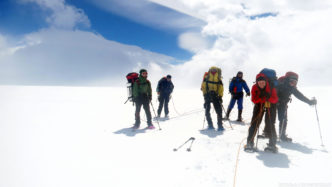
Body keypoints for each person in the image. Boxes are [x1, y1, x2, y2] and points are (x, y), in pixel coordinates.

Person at [276, 71, 317, 141]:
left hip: (283, 104)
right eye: (292, 81)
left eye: (295, 82)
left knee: (283, 119)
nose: (293, 84)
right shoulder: (280, 84)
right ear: (287, 79)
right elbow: (273, 94)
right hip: (274, 102)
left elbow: (300, 96)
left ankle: (282, 135)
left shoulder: (292, 88)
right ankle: (268, 132)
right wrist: (277, 101)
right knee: (271, 118)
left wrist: (309, 102)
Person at [245, 73, 278, 152]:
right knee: (254, 123)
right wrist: (262, 98)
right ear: (257, 82)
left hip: (271, 105)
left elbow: (275, 99)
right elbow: (253, 99)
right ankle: (250, 142)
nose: (261, 84)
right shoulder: (254, 87)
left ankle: (272, 144)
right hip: (259, 105)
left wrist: (268, 97)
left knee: (270, 123)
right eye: (259, 83)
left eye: (263, 82)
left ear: (266, 81)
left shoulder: (271, 87)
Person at [201, 66, 224, 131]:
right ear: (210, 70)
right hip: (208, 95)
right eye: (212, 69)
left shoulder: (218, 78)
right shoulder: (207, 77)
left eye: (214, 70)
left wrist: (220, 96)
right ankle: (210, 124)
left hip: (216, 95)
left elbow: (221, 87)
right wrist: (205, 94)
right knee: (207, 110)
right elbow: (204, 86)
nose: (213, 71)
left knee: (219, 110)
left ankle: (220, 125)